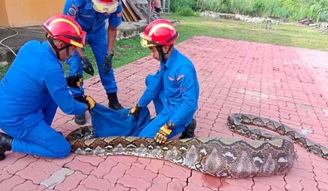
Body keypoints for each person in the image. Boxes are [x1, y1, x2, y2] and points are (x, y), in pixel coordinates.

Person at [0, 14, 97, 161]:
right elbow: (69, 107)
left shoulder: (31, 45)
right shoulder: (51, 69)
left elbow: (34, 77)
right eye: (72, 49)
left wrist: (68, 81)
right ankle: (8, 142)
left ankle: (41, 133)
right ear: (59, 45)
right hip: (15, 119)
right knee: (62, 149)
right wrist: (86, 106)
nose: (72, 54)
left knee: (53, 95)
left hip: (7, 106)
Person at [128, 19, 199, 144]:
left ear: (165, 47)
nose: (152, 55)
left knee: (143, 139)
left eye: (153, 50)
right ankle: (162, 117)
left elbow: (190, 103)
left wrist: (169, 125)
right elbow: (155, 84)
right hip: (170, 100)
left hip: (178, 108)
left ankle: (185, 123)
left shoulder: (183, 69)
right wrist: (139, 106)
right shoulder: (166, 60)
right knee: (151, 80)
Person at [63, 0, 124, 125]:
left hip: (98, 32)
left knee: (106, 65)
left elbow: (112, 28)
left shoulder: (117, 3)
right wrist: (82, 57)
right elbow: (69, 30)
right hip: (76, 32)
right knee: (75, 66)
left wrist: (110, 52)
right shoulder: (74, 3)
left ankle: (113, 100)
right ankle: (78, 103)